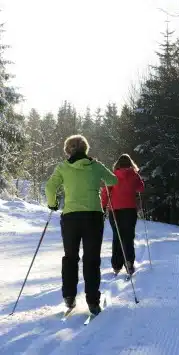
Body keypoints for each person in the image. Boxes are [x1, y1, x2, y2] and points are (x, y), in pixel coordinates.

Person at [45, 135, 117, 315]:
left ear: (68, 150)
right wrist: (100, 175)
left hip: (70, 217)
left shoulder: (63, 167)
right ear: (85, 149)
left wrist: (52, 203)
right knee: (91, 259)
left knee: (70, 257)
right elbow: (113, 181)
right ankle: (93, 301)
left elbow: (50, 187)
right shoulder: (95, 166)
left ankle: (69, 297)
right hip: (93, 216)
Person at [101, 154, 144, 276]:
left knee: (117, 236)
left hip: (115, 211)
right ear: (130, 163)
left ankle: (116, 265)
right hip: (130, 210)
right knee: (128, 237)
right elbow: (141, 188)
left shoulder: (112, 176)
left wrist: (103, 206)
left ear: (118, 164)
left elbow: (105, 192)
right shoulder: (134, 175)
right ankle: (129, 262)